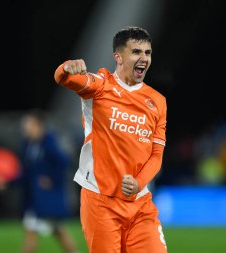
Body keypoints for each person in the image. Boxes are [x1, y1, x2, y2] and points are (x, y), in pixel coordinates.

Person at [54, 26, 168, 253]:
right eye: (136, 52)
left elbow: (156, 155)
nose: (144, 58)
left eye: (148, 53)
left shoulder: (157, 101)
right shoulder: (100, 86)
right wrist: (67, 67)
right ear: (118, 57)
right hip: (100, 202)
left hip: (140, 204)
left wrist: (138, 183)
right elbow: (63, 79)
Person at [20, 109, 79, 253]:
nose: (25, 127)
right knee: (57, 231)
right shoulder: (29, 144)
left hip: (48, 198)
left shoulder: (49, 142)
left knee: (35, 231)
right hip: (37, 198)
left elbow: (64, 162)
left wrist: (52, 179)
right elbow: (28, 172)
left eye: (28, 124)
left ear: (38, 125)